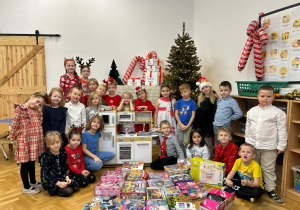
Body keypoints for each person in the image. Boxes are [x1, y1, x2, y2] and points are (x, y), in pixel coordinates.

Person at [245, 86, 287, 203]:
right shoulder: (251, 111)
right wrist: (247, 140)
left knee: (268, 169)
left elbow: (282, 130)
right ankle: (255, 185)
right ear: (257, 97)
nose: (265, 99)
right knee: (254, 167)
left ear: (273, 97)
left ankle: (270, 189)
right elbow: (248, 127)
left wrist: (281, 145)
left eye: (269, 96)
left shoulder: (278, 113)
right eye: (262, 96)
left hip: (269, 147)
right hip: (253, 146)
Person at [9, 91, 48, 194]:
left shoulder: (37, 112)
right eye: (37, 101)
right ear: (32, 97)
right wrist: (12, 135)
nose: (37, 105)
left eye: (40, 105)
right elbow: (14, 123)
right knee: (25, 163)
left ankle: (33, 181)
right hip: (25, 140)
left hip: (35, 141)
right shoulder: (20, 109)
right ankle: (26, 187)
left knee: (32, 162)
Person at [40, 131, 79, 196]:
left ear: (60, 141)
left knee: (76, 186)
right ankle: (55, 189)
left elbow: (65, 167)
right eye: (52, 144)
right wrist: (58, 183)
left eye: (57, 142)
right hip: (51, 180)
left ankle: (63, 186)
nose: (56, 145)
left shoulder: (63, 152)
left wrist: (67, 177)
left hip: (61, 176)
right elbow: (45, 175)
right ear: (48, 145)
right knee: (69, 191)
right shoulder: (46, 156)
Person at [213, 81, 243, 147]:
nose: (223, 92)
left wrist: (230, 118)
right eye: (221, 90)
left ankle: (226, 156)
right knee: (217, 142)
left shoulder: (232, 101)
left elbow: (239, 113)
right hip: (216, 125)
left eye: (226, 90)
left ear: (230, 90)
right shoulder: (219, 100)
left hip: (225, 125)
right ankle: (218, 155)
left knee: (225, 142)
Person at [193, 77, 217, 154]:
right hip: (200, 123)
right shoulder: (199, 98)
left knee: (208, 142)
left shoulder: (214, 99)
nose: (205, 89)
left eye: (206, 87)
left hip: (208, 123)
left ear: (209, 86)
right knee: (200, 141)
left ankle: (208, 157)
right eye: (203, 88)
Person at [175, 83, 197, 157]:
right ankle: (180, 157)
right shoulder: (179, 102)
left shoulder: (192, 103)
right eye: (182, 92)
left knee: (186, 142)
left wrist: (188, 125)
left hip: (188, 126)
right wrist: (180, 124)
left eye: (185, 92)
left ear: (189, 91)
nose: (183, 94)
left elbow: (193, 115)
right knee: (180, 142)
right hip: (179, 125)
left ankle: (187, 157)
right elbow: (176, 114)